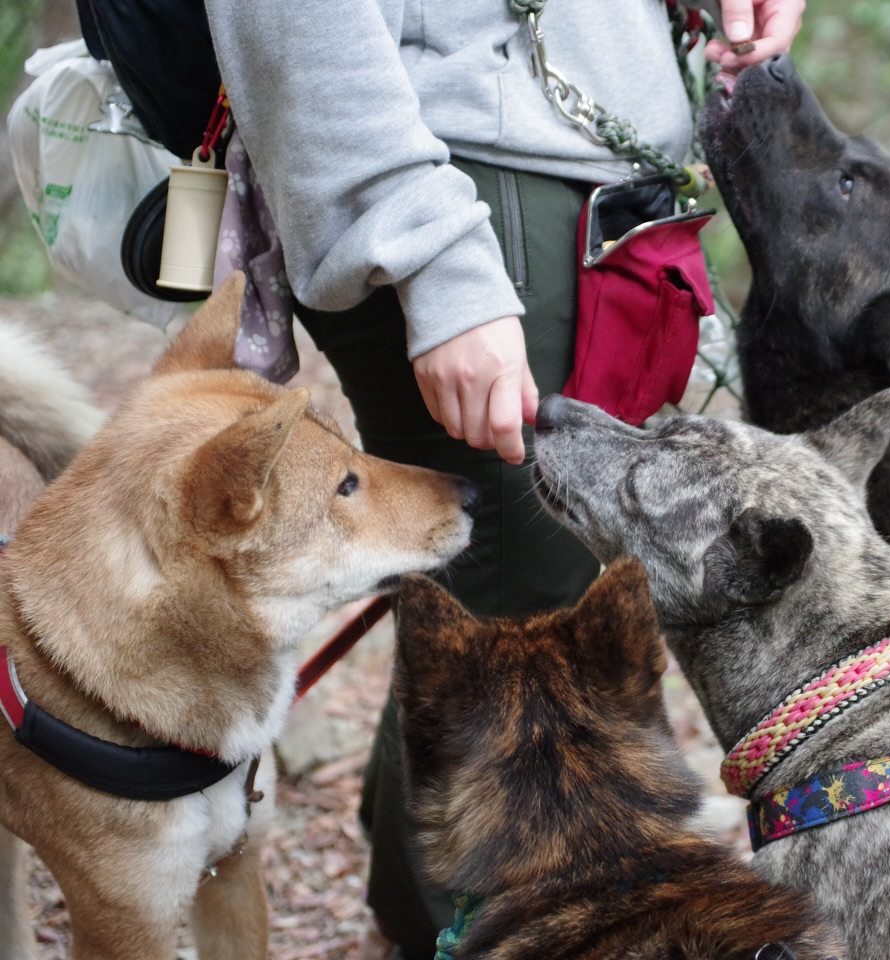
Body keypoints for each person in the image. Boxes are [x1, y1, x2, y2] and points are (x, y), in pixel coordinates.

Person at [202, 1, 805, 956]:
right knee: (518, 654)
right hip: (472, 195)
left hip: (585, 197)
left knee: (504, 623)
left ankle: (416, 912)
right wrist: (438, 260)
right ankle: (454, 928)